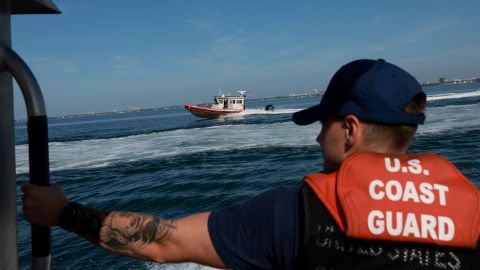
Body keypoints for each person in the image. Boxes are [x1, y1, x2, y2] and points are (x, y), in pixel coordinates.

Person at [22, 59, 479, 269]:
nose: (319, 136)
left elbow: (161, 242)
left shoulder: (296, 215)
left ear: (351, 130)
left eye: (324, 124)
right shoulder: (469, 209)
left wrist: (61, 213)